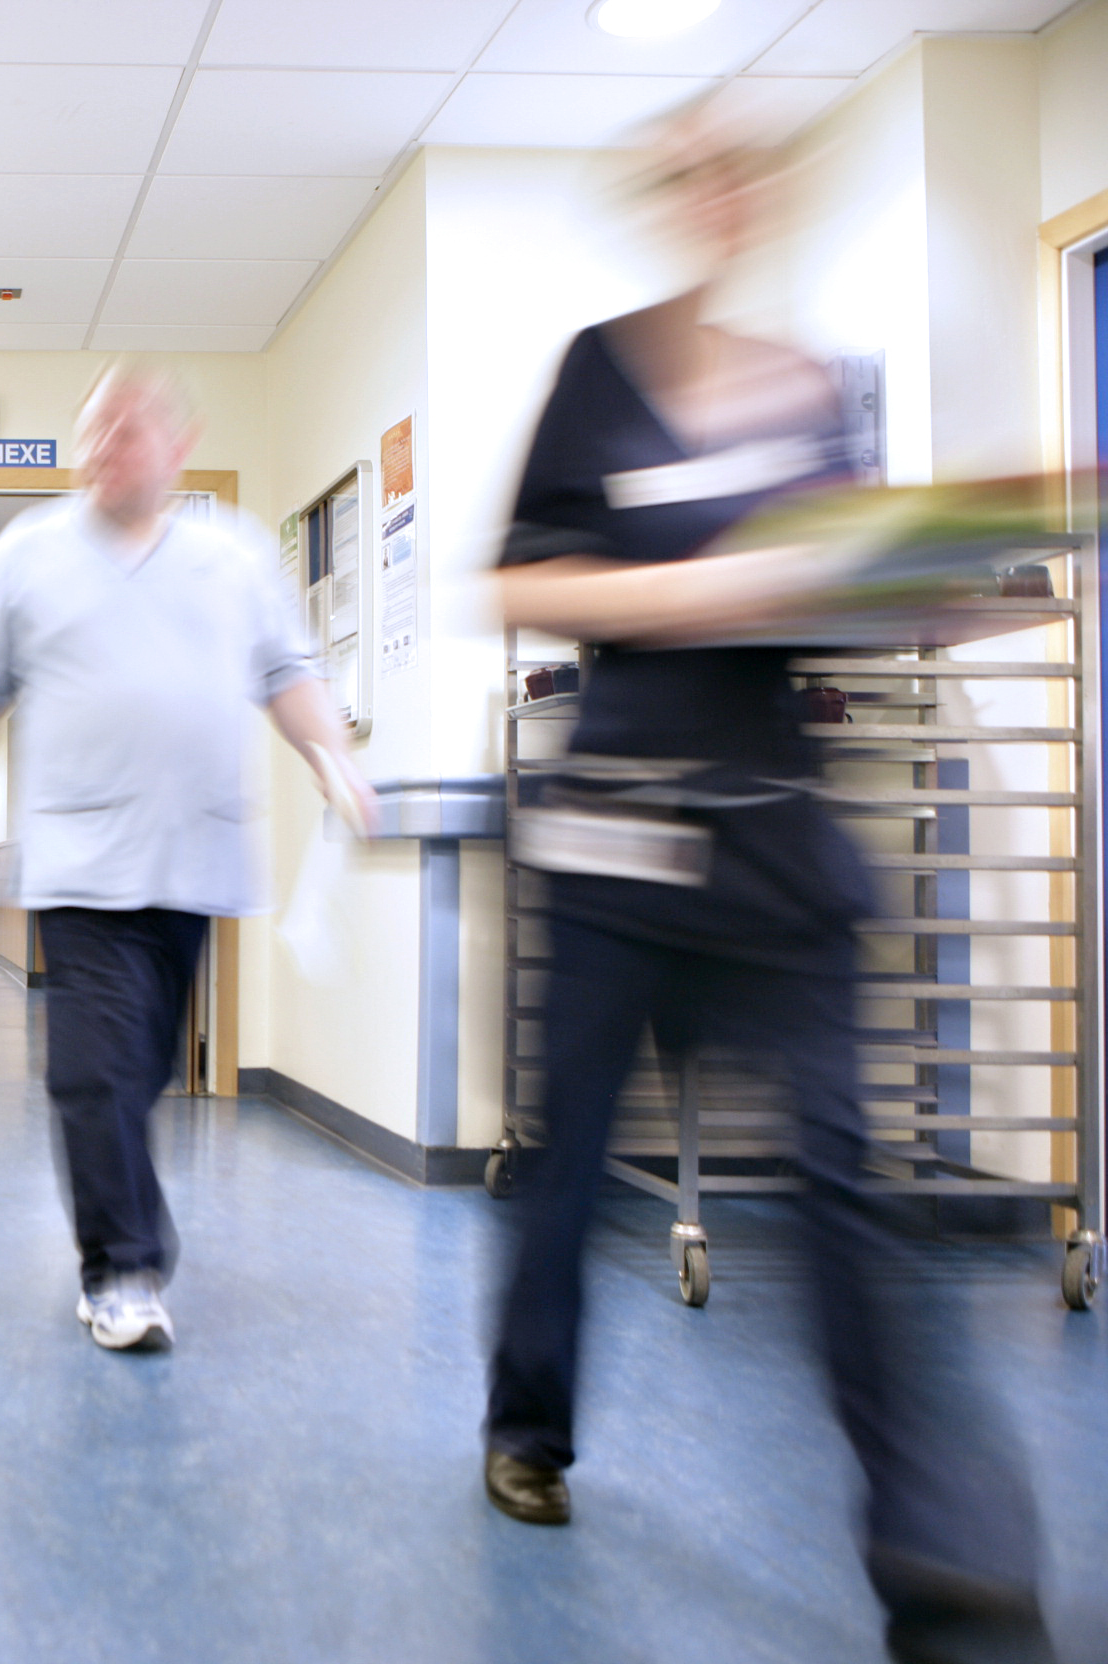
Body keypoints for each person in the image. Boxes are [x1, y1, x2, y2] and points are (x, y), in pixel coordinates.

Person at [483, 108, 1054, 1664]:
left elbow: (842, 601)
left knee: (844, 1193)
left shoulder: (813, 395)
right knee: (571, 1158)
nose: (731, 193)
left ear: (770, 201)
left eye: (755, 170)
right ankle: (527, 1425)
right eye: (702, 169)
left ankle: (946, 1566)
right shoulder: (601, 370)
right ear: (670, 196)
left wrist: (943, 587)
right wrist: (692, 592)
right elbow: (517, 578)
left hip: (778, 856)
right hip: (613, 840)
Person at [0, 364, 375, 1352]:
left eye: (130, 429)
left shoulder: (235, 554)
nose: (108, 446)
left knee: (142, 1070)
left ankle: (135, 1231)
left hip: (194, 861)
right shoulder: (28, 553)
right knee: (91, 1071)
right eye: (94, 429)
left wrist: (333, 757)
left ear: (178, 442)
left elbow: (288, 673)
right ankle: (122, 1268)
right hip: (81, 858)